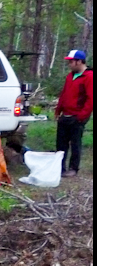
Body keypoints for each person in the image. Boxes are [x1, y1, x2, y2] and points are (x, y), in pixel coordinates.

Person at [55, 49, 94, 177]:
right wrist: (58, 110)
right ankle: (60, 167)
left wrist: (81, 116)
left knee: (75, 143)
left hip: (77, 117)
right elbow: (64, 94)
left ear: (79, 62)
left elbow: (91, 99)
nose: (69, 64)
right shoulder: (70, 76)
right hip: (65, 115)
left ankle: (73, 168)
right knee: (61, 143)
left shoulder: (89, 77)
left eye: (71, 62)